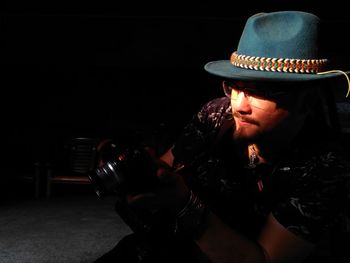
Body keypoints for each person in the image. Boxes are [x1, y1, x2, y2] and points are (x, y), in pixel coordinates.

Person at [94, 11, 350, 263]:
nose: (240, 105)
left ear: (304, 102)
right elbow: (168, 168)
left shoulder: (326, 166)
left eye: (257, 91)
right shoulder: (217, 114)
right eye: (234, 87)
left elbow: (264, 258)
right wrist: (135, 169)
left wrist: (184, 203)